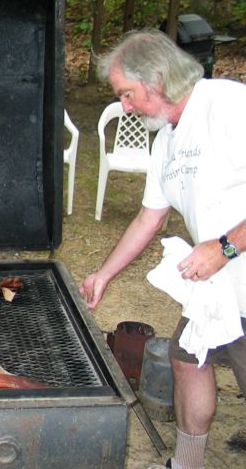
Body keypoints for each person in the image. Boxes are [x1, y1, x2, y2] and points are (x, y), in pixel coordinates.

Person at [79, 28, 246, 469]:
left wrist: (226, 247)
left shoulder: (228, 105)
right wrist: (104, 274)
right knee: (188, 361)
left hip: (235, 269)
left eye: (128, 94)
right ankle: (185, 465)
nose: (126, 106)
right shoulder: (167, 139)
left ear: (156, 78)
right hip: (215, 284)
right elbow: (148, 218)